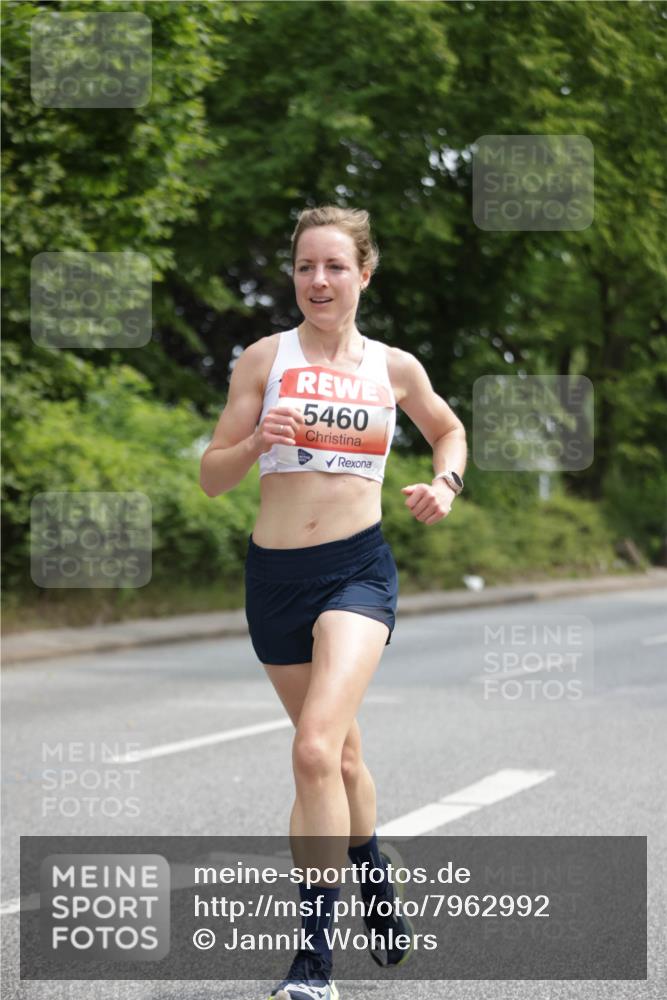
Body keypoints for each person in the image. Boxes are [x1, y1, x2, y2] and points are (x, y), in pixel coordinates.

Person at [200, 205, 467, 1000]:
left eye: (334, 267)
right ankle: (373, 872)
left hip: (356, 571)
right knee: (343, 757)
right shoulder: (262, 360)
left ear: (364, 273)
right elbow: (212, 476)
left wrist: (444, 486)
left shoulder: (394, 369)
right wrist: (254, 443)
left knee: (314, 749)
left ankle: (312, 963)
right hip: (274, 578)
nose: (317, 281)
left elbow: (449, 431)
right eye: (304, 267)